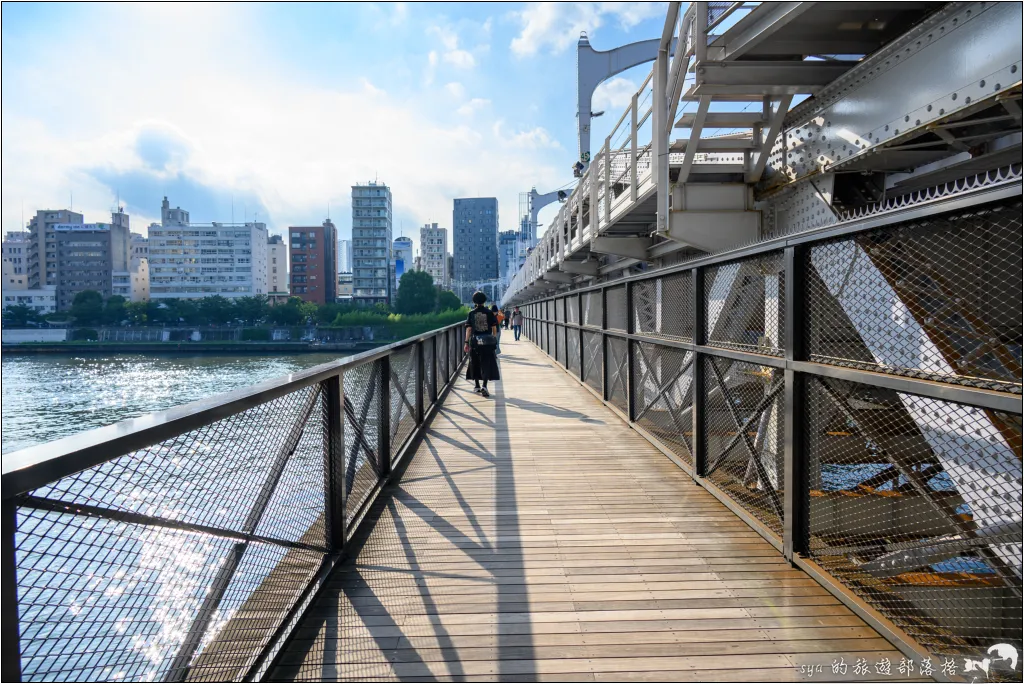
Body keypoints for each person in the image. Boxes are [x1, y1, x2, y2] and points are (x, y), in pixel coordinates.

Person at [465, 292, 500, 397]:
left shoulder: (471, 313)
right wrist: (493, 339)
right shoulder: (489, 313)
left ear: (474, 301)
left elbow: (469, 329)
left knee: (475, 362)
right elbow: (494, 328)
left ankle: (477, 386)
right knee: (486, 362)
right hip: (487, 342)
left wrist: (466, 342)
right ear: (484, 301)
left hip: (475, 342)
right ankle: (484, 385)